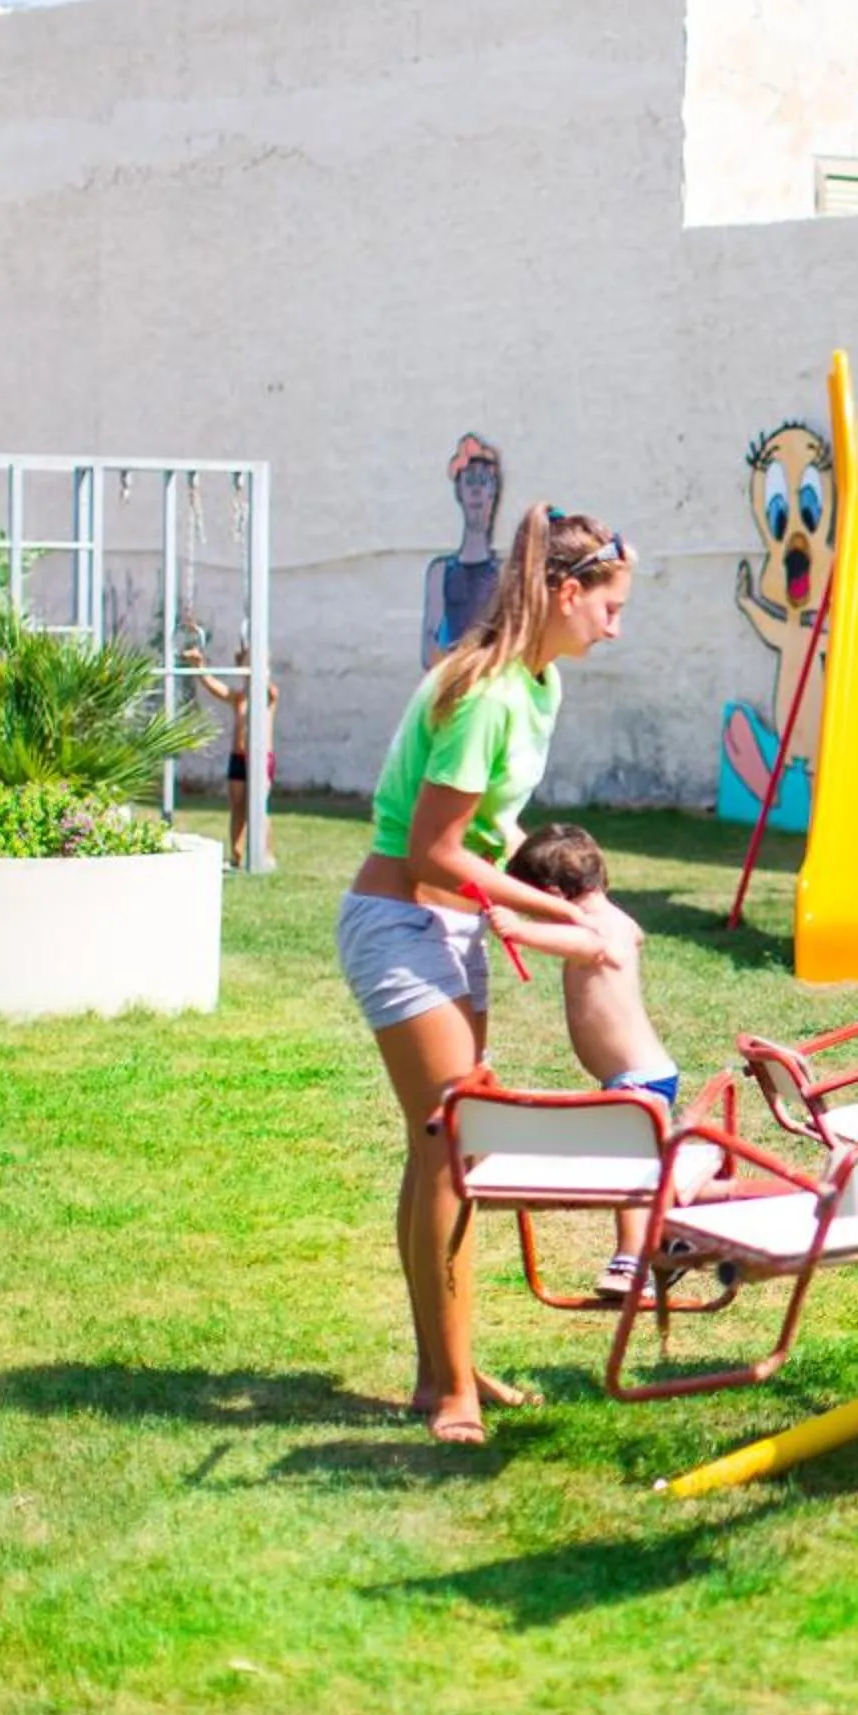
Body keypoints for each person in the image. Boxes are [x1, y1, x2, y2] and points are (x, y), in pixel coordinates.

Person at [335, 503, 633, 1447]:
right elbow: (430, 853)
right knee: (457, 1150)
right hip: (402, 922)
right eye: (610, 605)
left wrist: (548, 899)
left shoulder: (539, 686)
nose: (616, 624)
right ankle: (454, 1389)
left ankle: (441, 1372)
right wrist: (558, 915)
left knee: (441, 1151)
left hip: (447, 930)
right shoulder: (491, 693)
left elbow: (487, 837)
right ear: (566, 591)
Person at [502, 822, 681, 1301]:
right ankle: (674, 1236)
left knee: (629, 1170)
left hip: (637, 1081)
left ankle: (631, 1265)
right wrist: (502, 821)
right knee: (641, 1166)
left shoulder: (597, 933)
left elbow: (592, 947)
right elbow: (631, 934)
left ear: (557, 895)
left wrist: (521, 930)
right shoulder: (617, 920)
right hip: (640, 1076)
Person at [179, 643, 279, 870]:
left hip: (261, 759)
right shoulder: (239, 698)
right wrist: (199, 667)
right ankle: (236, 855)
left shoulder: (268, 695)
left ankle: (265, 854)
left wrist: (260, 665)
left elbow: (267, 687)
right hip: (239, 759)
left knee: (258, 807)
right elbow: (214, 687)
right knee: (238, 807)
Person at [422, 433, 505, 669]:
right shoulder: (440, 572)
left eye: (484, 481)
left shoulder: (504, 572)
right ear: (459, 491)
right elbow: (430, 640)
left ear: (493, 491)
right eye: (469, 481)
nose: (476, 491)